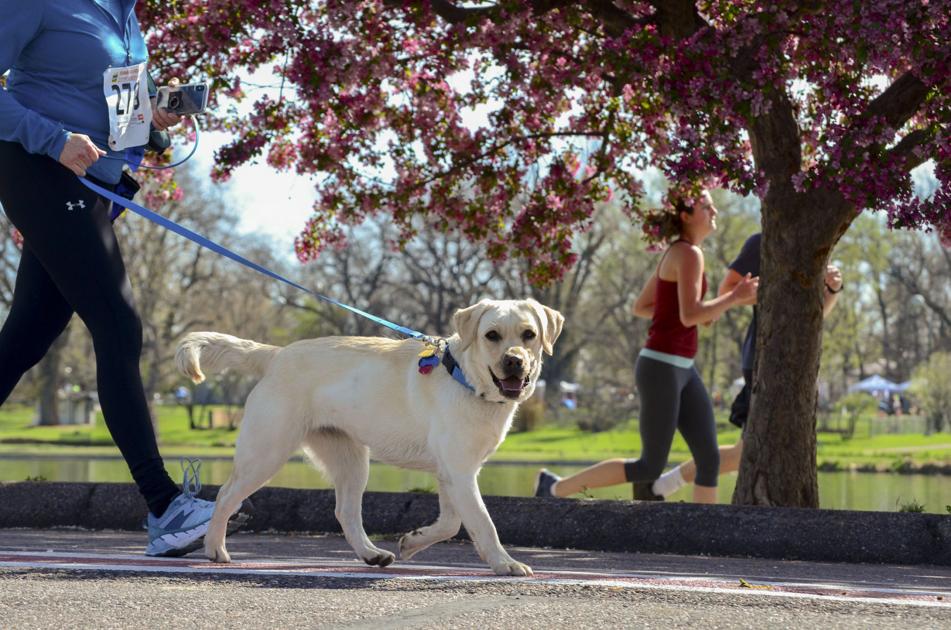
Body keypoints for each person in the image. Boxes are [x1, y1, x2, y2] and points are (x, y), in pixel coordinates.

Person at [0, 0, 217, 556]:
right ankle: (165, 506)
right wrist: (53, 139)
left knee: (24, 338)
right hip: (41, 168)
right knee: (118, 325)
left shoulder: (126, 15)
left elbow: (111, 102)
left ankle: (166, 509)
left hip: (94, 185)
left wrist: (151, 116)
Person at [534, 191, 757, 503]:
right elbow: (689, 314)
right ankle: (552, 488)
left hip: (683, 367)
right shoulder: (688, 253)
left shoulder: (678, 252)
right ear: (685, 216)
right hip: (661, 366)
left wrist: (697, 313)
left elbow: (644, 306)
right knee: (649, 464)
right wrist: (733, 297)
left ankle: (704, 529)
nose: (714, 210)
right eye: (706, 206)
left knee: (709, 459)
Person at [649, 232, 843, 498]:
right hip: (763, 359)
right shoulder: (764, 240)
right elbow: (727, 289)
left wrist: (832, 290)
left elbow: (814, 315)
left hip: (799, 363)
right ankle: (663, 485)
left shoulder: (819, 241)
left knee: (751, 451)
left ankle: (662, 486)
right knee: (750, 451)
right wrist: (781, 292)